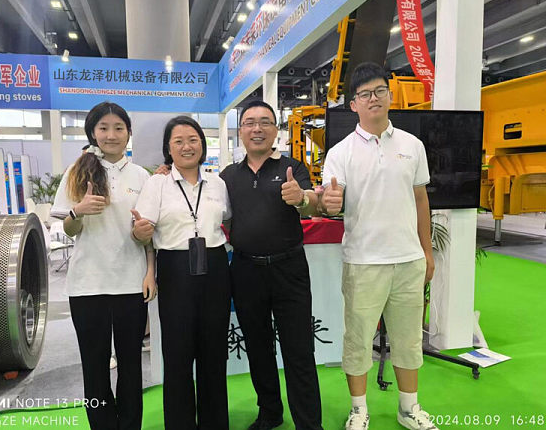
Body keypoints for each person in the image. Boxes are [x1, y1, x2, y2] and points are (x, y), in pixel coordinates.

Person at [320, 62, 438, 430]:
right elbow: (330, 200)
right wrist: (328, 203)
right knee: (358, 340)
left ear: (389, 95)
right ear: (353, 104)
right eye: (365, 94)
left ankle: (409, 408)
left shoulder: (412, 146)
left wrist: (427, 251)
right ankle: (359, 410)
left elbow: (421, 199)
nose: (373, 99)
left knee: (408, 340)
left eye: (379, 91)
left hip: (408, 260)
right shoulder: (340, 152)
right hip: (363, 262)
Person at [51, 101, 155, 430]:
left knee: (131, 364)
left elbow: (147, 233)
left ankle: (130, 425)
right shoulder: (77, 171)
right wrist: (78, 211)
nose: (111, 135)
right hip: (87, 285)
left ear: (128, 132)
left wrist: (150, 271)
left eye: (118, 128)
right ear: (93, 132)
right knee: (94, 366)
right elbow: (69, 230)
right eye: (104, 128)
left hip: (131, 283)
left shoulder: (141, 176)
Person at [220, 100, 323, 430]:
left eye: (265, 122)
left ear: (275, 130)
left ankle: (309, 423)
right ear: (240, 131)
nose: (257, 129)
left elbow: (313, 204)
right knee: (258, 347)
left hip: (288, 268)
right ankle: (269, 413)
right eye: (250, 122)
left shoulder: (293, 167)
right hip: (246, 270)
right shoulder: (228, 176)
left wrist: (301, 198)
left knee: (299, 349)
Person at [133, 116, 232, 430]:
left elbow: (227, 219)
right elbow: (142, 231)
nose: (187, 146)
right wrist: (139, 232)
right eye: (178, 141)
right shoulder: (157, 184)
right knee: (177, 355)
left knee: (214, 353)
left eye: (193, 139)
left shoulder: (217, 183)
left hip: (215, 268)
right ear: (168, 148)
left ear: (202, 144)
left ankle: (215, 423)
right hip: (175, 270)